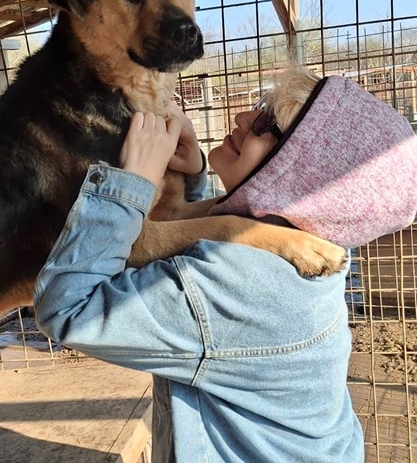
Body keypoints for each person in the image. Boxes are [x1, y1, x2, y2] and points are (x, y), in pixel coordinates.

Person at [34, 67, 417, 463]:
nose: (242, 118)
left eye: (266, 124)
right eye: (260, 107)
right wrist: (190, 178)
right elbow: (194, 243)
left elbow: (68, 310)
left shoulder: (242, 283)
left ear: (303, 177)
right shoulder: (305, 241)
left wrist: (129, 181)